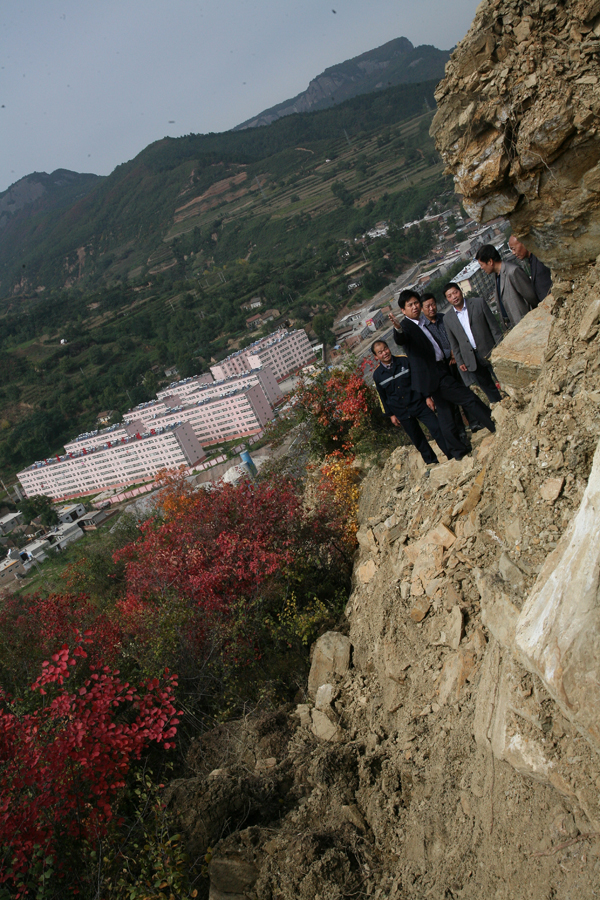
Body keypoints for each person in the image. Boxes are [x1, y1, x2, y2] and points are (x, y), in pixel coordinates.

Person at [389, 290, 496, 460]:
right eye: (410, 305)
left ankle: (457, 451)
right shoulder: (407, 326)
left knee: (446, 415)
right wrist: (398, 328)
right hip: (434, 375)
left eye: (416, 303)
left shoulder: (422, 321)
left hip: (439, 370)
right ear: (403, 310)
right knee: (468, 398)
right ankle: (494, 423)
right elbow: (401, 338)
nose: (415, 307)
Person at [371, 340, 452, 465]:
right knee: (418, 439)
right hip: (401, 411)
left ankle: (451, 453)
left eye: (385, 349)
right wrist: (391, 414)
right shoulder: (377, 375)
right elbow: (382, 397)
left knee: (437, 428)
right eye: (380, 352)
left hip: (418, 403)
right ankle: (431, 462)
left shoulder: (404, 361)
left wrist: (427, 397)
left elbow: (419, 379)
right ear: (376, 356)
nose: (385, 353)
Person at [421, 292, 483, 435]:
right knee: (451, 400)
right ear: (422, 309)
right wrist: (449, 354)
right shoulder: (423, 328)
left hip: (457, 361)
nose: (431, 308)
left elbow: (456, 336)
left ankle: (474, 422)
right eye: (427, 306)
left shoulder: (445, 318)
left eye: (433, 304)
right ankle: (460, 431)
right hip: (441, 367)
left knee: (464, 391)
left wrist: (455, 353)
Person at [442, 283, 503, 404]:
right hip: (470, 358)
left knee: (502, 378)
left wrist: (501, 346)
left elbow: (494, 327)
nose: (454, 297)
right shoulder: (447, 318)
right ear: (447, 299)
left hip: (490, 350)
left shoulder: (478, 303)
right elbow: (454, 343)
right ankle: (499, 406)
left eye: (455, 292)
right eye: (449, 296)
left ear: (460, 291)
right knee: (487, 387)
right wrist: (460, 361)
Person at [475, 243, 537, 328]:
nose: (481, 268)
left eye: (482, 265)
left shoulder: (513, 271)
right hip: (512, 326)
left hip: (525, 323)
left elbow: (532, 297)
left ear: (490, 262)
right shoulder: (496, 275)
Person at [508, 235, 553, 304]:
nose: (513, 253)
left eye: (514, 249)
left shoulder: (540, 257)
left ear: (524, 243)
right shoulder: (532, 261)